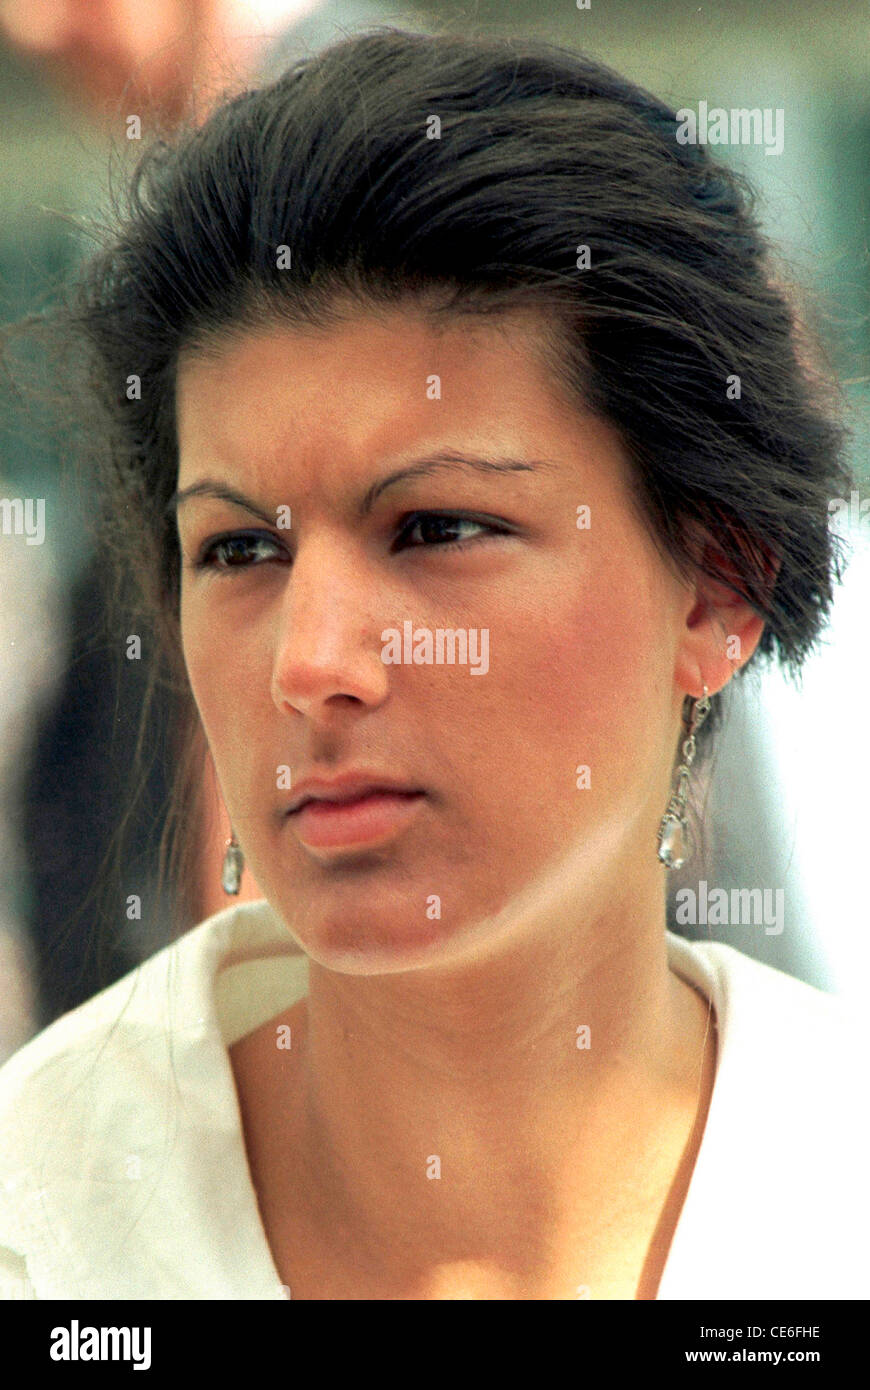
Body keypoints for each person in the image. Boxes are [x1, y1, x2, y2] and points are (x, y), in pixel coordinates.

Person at [0, 26, 866, 1301]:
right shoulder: (48, 1235)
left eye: (439, 528)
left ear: (718, 585)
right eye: (239, 550)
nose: (314, 662)